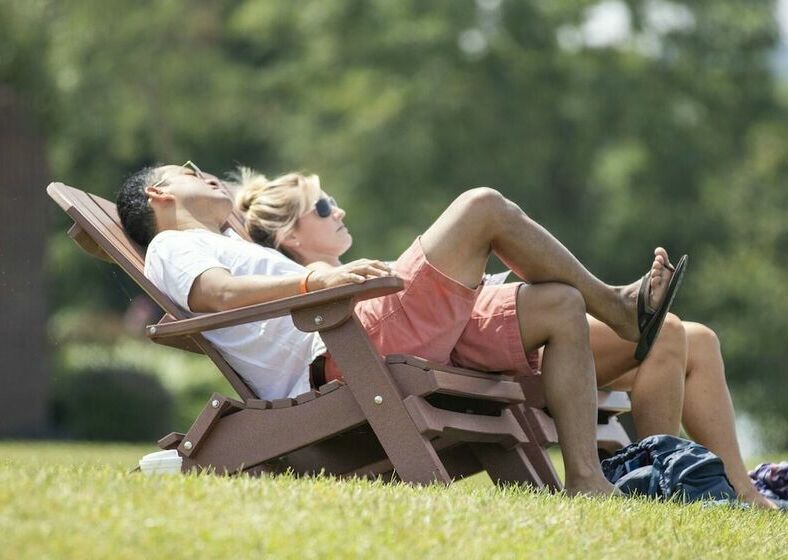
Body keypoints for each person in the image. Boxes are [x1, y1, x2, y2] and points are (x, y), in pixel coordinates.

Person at [117, 161, 682, 498]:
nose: (203, 173)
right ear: (158, 196)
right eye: (185, 173)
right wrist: (317, 278)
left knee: (558, 305)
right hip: (345, 346)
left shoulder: (224, 240)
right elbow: (216, 295)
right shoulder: (173, 245)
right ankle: (617, 307)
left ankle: (585, 477)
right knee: (480, 206)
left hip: (360, 325)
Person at [234, 168, 773, 508]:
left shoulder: (348, 273)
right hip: (363, 347)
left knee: (649, 325)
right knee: (482, 205)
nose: (339, 209)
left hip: (424, 331)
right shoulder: (284, 280)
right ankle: (616, 307)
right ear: (291, 236)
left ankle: (697, 487)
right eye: (323, 207)